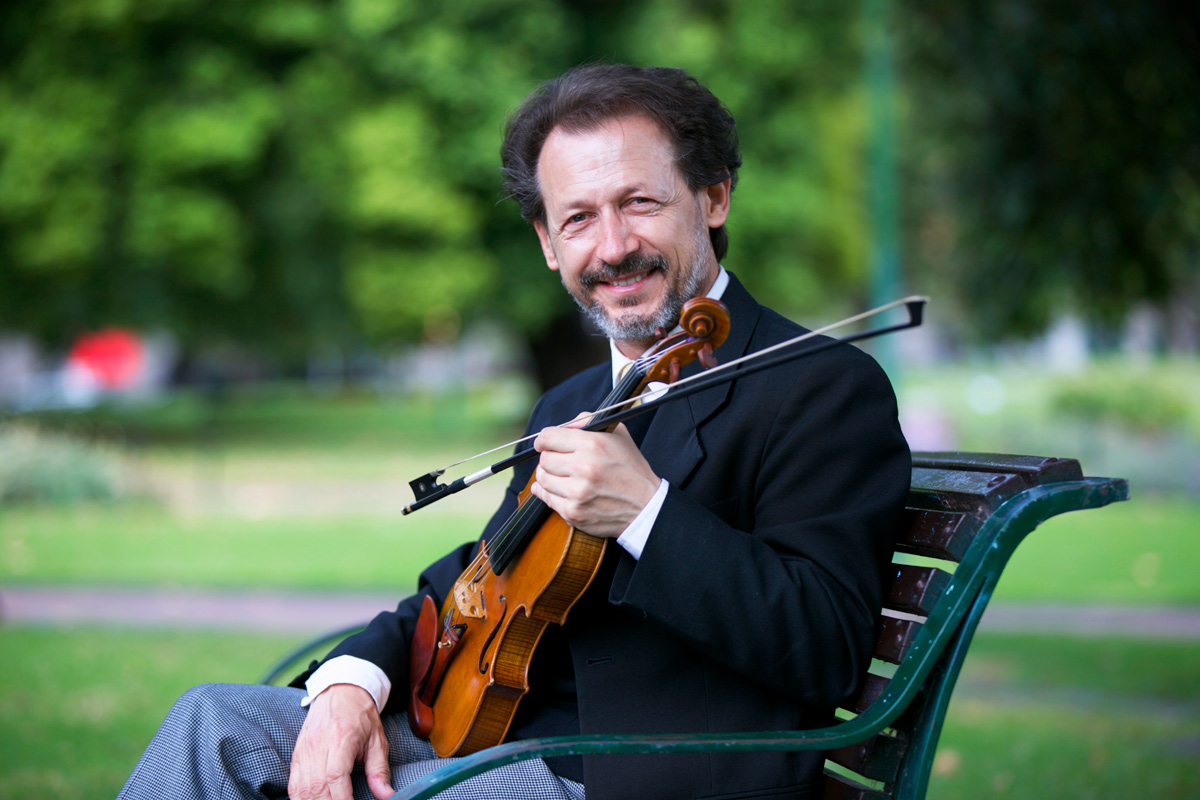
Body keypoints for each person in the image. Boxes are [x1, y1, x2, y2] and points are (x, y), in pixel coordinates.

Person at [117, 64, 910, 800]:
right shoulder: (570, 402)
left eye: (640, 202)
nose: (613, 247)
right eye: (579, 218)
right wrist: (353, 680)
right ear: (547, 244)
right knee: (211, 724)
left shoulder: (821, 387)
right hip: (491, 741)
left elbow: (828, 647)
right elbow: (482, 582)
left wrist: (647, 514)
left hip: (639, 776)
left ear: (713, 198)